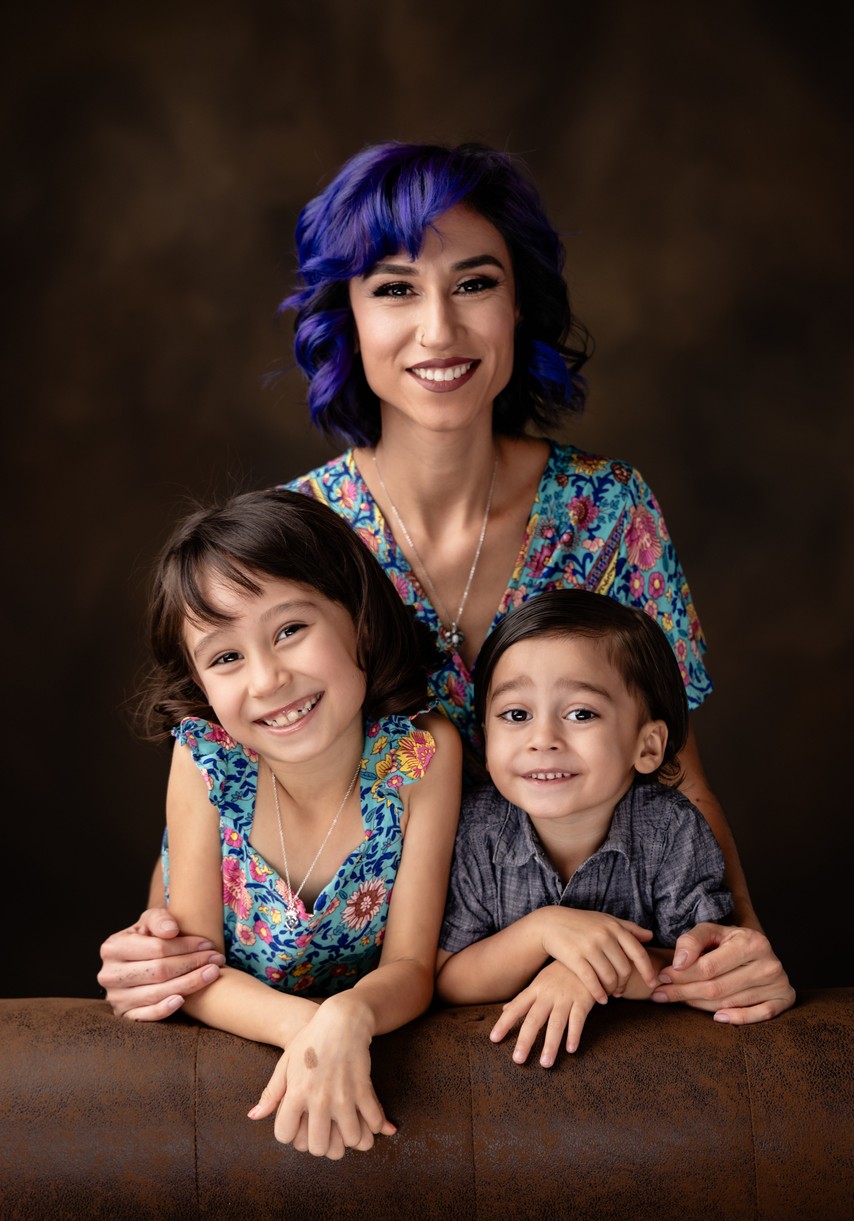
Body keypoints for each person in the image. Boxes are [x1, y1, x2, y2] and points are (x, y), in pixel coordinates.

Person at [99, 141, 793, 1024]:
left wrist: (742, 949)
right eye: (394, 289)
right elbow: (228, 770)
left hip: (575, 984)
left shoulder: (608, 509)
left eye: (474, 283)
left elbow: (677, 776)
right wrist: (159, 941)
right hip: (348, 1003)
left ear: (519, 305)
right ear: (345, 318)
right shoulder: (296, 538)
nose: (439, 330)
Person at [139, 487, 460, 1158]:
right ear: (201, 682)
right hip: (235, 1092)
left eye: (290, 630)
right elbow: (196, 972)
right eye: (226, 657)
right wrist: (314, 1031)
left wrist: (353, 1015)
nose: (267, 679)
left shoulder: (421, 754)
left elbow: (411, 964)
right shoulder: (203, 760)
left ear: (358, 619)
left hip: (377, 1065)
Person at [437, 590, 735, 1065]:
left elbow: (706, 971)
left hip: (646, 1066)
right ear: (485, 736)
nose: (543, 740)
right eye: (516, 715)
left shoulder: (672, 831)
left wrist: (583, 972)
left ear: (648, 746)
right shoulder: (476, 830)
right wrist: (543, 932)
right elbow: (449, 978)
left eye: (581, 713)